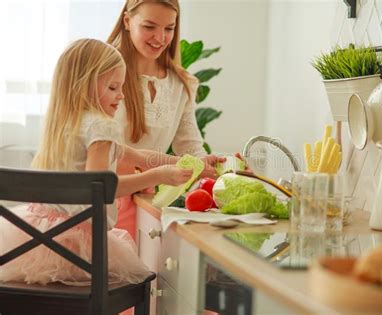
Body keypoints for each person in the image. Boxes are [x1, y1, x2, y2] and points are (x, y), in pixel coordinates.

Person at [0, 38, 193, 286]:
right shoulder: (102, 126)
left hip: (34, 242)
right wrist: (158, 176)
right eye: (113, 88)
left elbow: (141, 156)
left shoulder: (64, 124)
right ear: (85, 85)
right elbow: (101, 189)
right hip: (78, 251)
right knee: (149, 281)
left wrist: (186, 163)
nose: (121, 96)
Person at [107, 0, 224, 239]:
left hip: (144, 202)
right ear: (127, 21)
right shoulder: (104, 74)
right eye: (149, 26)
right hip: (104, 198)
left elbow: (190, 146)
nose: (160, 38)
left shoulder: (183, 84)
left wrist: (210, 167)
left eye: (169, 29)